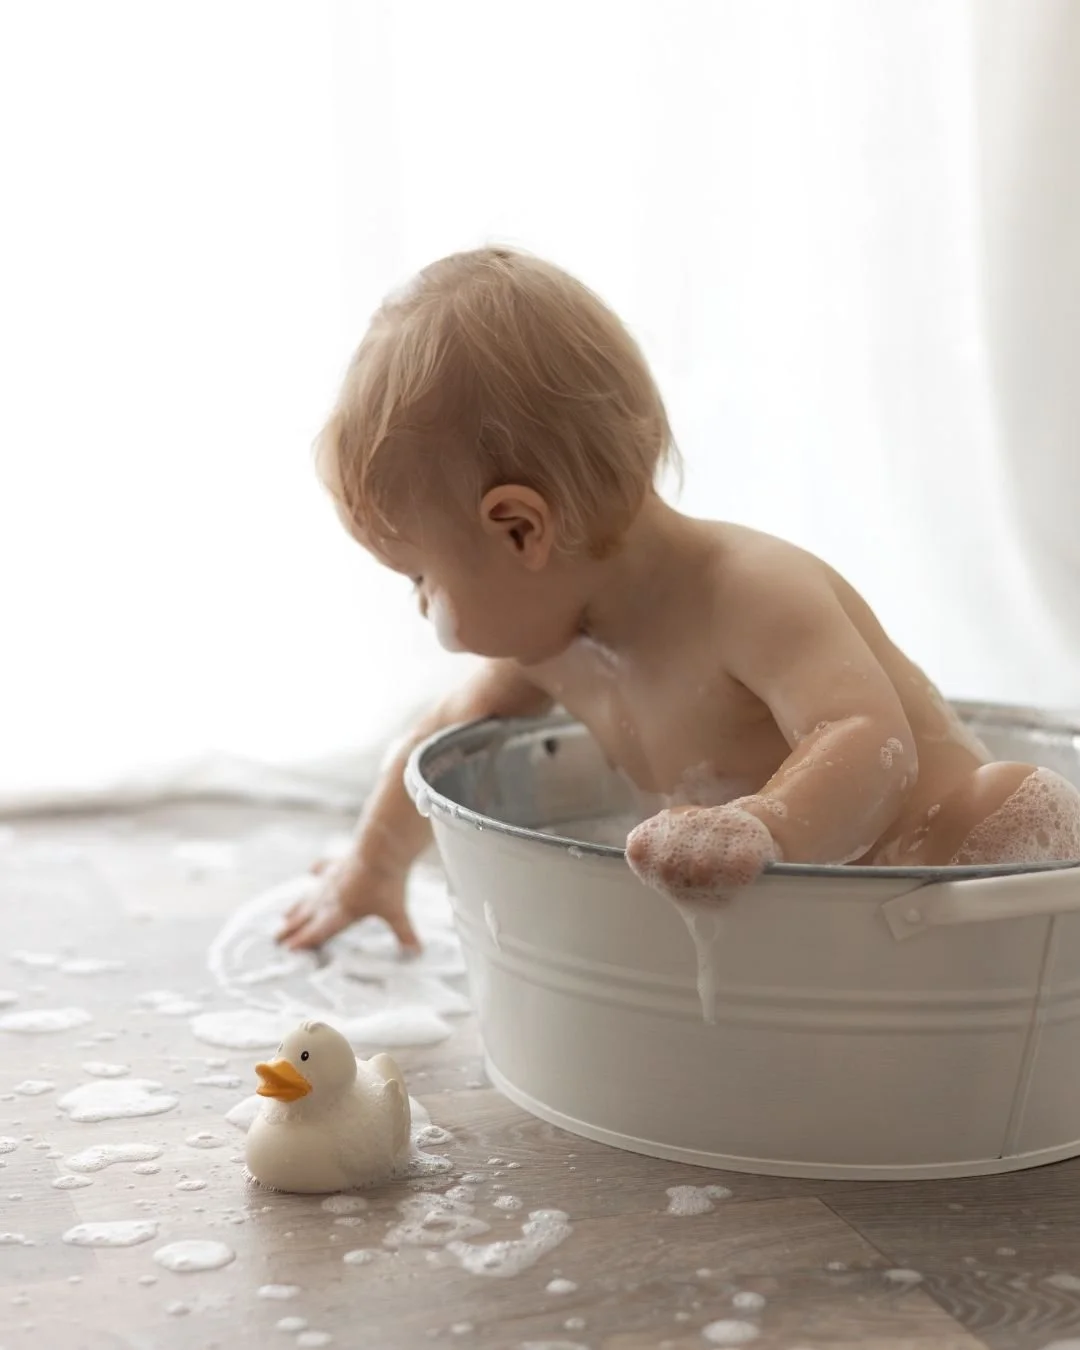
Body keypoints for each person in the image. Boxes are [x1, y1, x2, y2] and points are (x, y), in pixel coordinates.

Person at [278, 247, 1080, 951]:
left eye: (420, 579)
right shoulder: (553, 646)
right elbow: (444, 740)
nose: (420, 607)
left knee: (1000, 800)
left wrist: (764, 825)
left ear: (520, 529)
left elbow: (871, 738)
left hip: (948, 885)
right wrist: (370, 865)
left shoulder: (749, 590)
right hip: (821, 925)